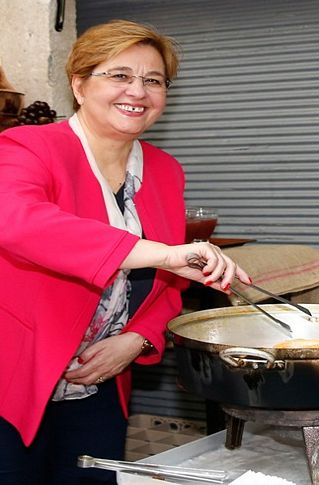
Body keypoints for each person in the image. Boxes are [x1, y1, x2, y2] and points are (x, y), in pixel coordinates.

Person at [0, 20, 252, 484]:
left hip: (99, 379)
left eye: (153, 80)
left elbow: (171, 286)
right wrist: (160, 253)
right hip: (16, 378)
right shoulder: (26, 147)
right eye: (119, 75)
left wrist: (137, 340)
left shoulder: (164, 169)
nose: (137, 91)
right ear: (79, 84)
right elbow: (16, 222)